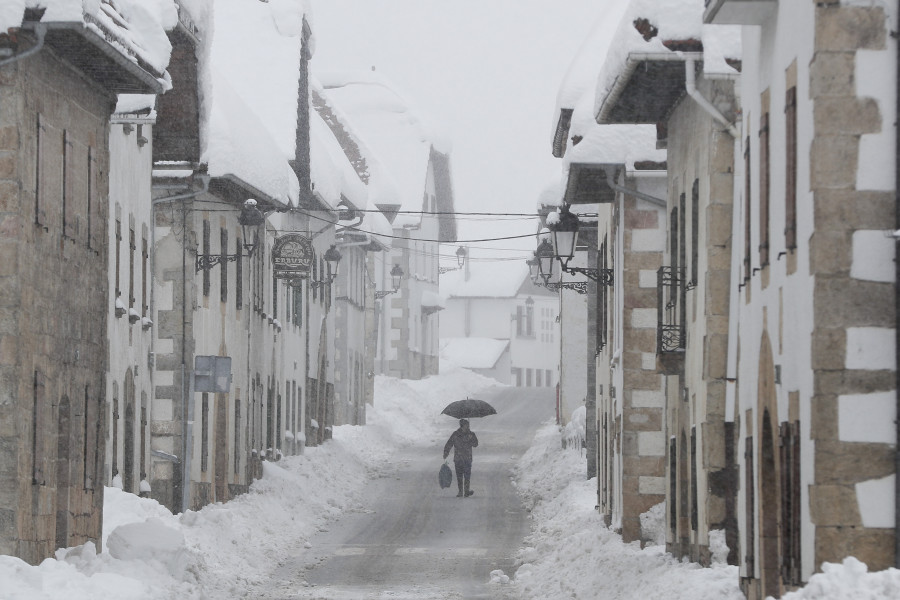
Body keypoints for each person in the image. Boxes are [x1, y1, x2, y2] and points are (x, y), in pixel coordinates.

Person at [443, 419, 478, 498]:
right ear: (463, 426)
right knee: (459, 475)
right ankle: (460, 491)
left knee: (467, 475)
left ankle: (466, 491)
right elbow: (449, 443)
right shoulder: (456, 434)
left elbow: (476, 444)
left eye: (468, 425)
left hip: (467, 458)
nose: (468, 426)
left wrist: (471, 438)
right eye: (467, 425)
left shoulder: (471, 434)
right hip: (459, 459)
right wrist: (446, 452)